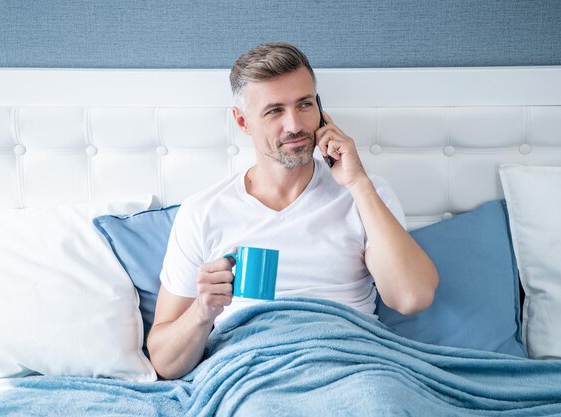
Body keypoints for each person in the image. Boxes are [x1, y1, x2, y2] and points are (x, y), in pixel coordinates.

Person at [147, 42, 438, 380]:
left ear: (321, 109)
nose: (295, 125)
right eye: (274, 111)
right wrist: (203, 310)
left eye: (305, 105)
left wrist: (357, 183)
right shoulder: (203, 211)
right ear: (243, 121)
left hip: (352, 365)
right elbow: (165, 365)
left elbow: (412, 298)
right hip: (251, 371)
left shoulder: (363, 194)